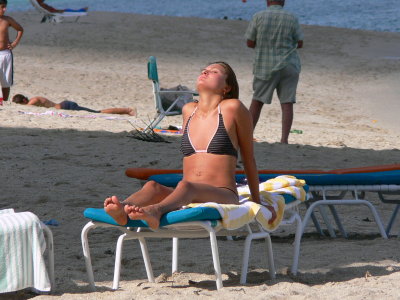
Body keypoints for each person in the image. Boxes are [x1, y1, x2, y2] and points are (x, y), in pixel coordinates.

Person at [104, 62, 260, 229]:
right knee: (153, 186)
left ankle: (156, 211)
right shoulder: (188, 110)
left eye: (214, 72)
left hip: (222, 193)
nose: (205, 73)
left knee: (185, 186)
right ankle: (122, 208)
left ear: (227, 87)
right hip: (187, 194)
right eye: (204, 70)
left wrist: (258, 203)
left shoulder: (233, 107)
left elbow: (249, 159)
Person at [245, 0, 303, 144]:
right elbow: (300, 42)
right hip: (289, 64)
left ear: (267, 1)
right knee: (287, 103)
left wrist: (264, 45)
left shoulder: (259, 16)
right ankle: (284, 139)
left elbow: (249, 42)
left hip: (265, 65)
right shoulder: (291, 17)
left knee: (257, 101)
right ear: (283, 1)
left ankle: (247, 136)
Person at [12, 94, 136, 116]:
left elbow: (29, 108)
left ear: (23, 101)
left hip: (66, 107)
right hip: (65, 105)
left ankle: (127, 110)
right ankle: (126, 110)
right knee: (97, 112)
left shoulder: (33, 101)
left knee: (98, 112)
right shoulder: (34, 99)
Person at [0, 0, 23, 102]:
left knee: (6, 81)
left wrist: (14, 43)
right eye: (2, 7)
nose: (4, 9)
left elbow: (20, 29)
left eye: (5, 7)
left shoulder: (7, 20)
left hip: (5, 53)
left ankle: (4, 102)